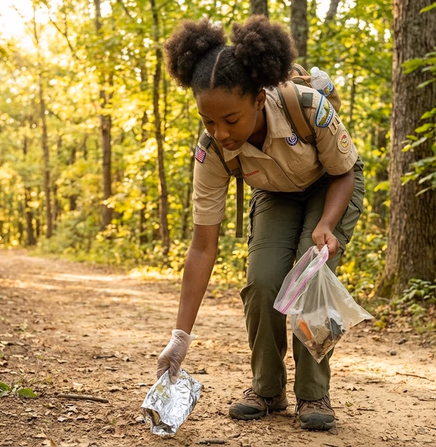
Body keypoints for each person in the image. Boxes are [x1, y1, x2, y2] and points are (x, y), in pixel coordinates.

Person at [155, 15, 364, 431]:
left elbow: (345, 171)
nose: (220, 132)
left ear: (256, 98)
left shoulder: (305, 106)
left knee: (310, 269)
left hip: (331, 185)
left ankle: (314, 392)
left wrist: (326, 224)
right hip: (276, 194)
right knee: (263, 279)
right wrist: (180, 337)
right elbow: (202, 247)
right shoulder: (211, 151)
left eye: (230, 119)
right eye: (208, 121)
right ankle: (267, 389)